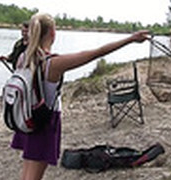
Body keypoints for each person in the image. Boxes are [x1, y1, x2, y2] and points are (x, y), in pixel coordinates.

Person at [11, 13, 150, 180]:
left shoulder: (23, 58)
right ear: (52, 33)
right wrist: (131, 39)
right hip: (45, 121)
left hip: (27, 118)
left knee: (27, 171)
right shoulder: (53, 63)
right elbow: (96, 53)